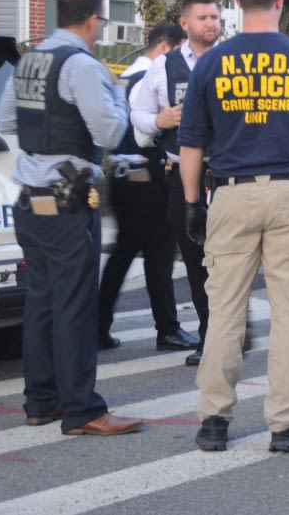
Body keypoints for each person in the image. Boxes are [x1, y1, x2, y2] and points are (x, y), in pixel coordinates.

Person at [179, 0, 289, 453]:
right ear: (280, 1)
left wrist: (192, 202)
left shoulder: (210, 63)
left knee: (224, 309)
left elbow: (191, 143)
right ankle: (284, 423)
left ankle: (213, 419)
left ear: (235, 1)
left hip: (229, 191)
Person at [0, 0, 143, 436]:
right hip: (69, 202)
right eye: (101, 20)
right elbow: (108, 132)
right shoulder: (81, 65)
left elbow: (5, 121)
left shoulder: (30, 59)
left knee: (41, 303)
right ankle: (83, 408)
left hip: (30, 199)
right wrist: (117, 92)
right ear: (91, 20)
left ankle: (41, 401)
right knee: (76, 306)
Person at [131, 0, 221, 365]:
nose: (211, 24)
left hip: (226, 175)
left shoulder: (232, 60)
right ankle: (209, 337)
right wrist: (158, 122)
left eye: (215, 17)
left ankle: (227, 333)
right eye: (203, 18)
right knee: (197, 260)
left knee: (227, 260)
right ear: (185, 24)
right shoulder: (162, 67)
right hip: (179, 176)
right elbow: (136, 113)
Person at [97, 23, 200, 353]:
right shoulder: (152, 77)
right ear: (166, 48)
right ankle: (167, 328)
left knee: (124, 252)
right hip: (150, 176)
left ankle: (97, 326)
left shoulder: (125, 75)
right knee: (160, 254)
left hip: (121, 175)